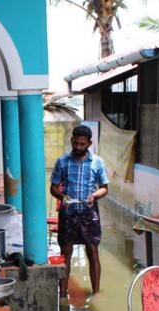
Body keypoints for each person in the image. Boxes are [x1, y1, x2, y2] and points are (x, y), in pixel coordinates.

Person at [50, 125, 109, 298]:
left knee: (92, 251)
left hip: (89, 214)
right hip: (68, 214)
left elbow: (104, 188)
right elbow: (53, 188)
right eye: (75, 143)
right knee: (65, 253)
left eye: (82, 144)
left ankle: (96, 293)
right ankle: (62, 294)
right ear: (71, 141)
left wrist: (94, 196)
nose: (77, 147)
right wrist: (62, 197)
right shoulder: (62, 162)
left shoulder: (97, 162)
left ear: (89, 143)